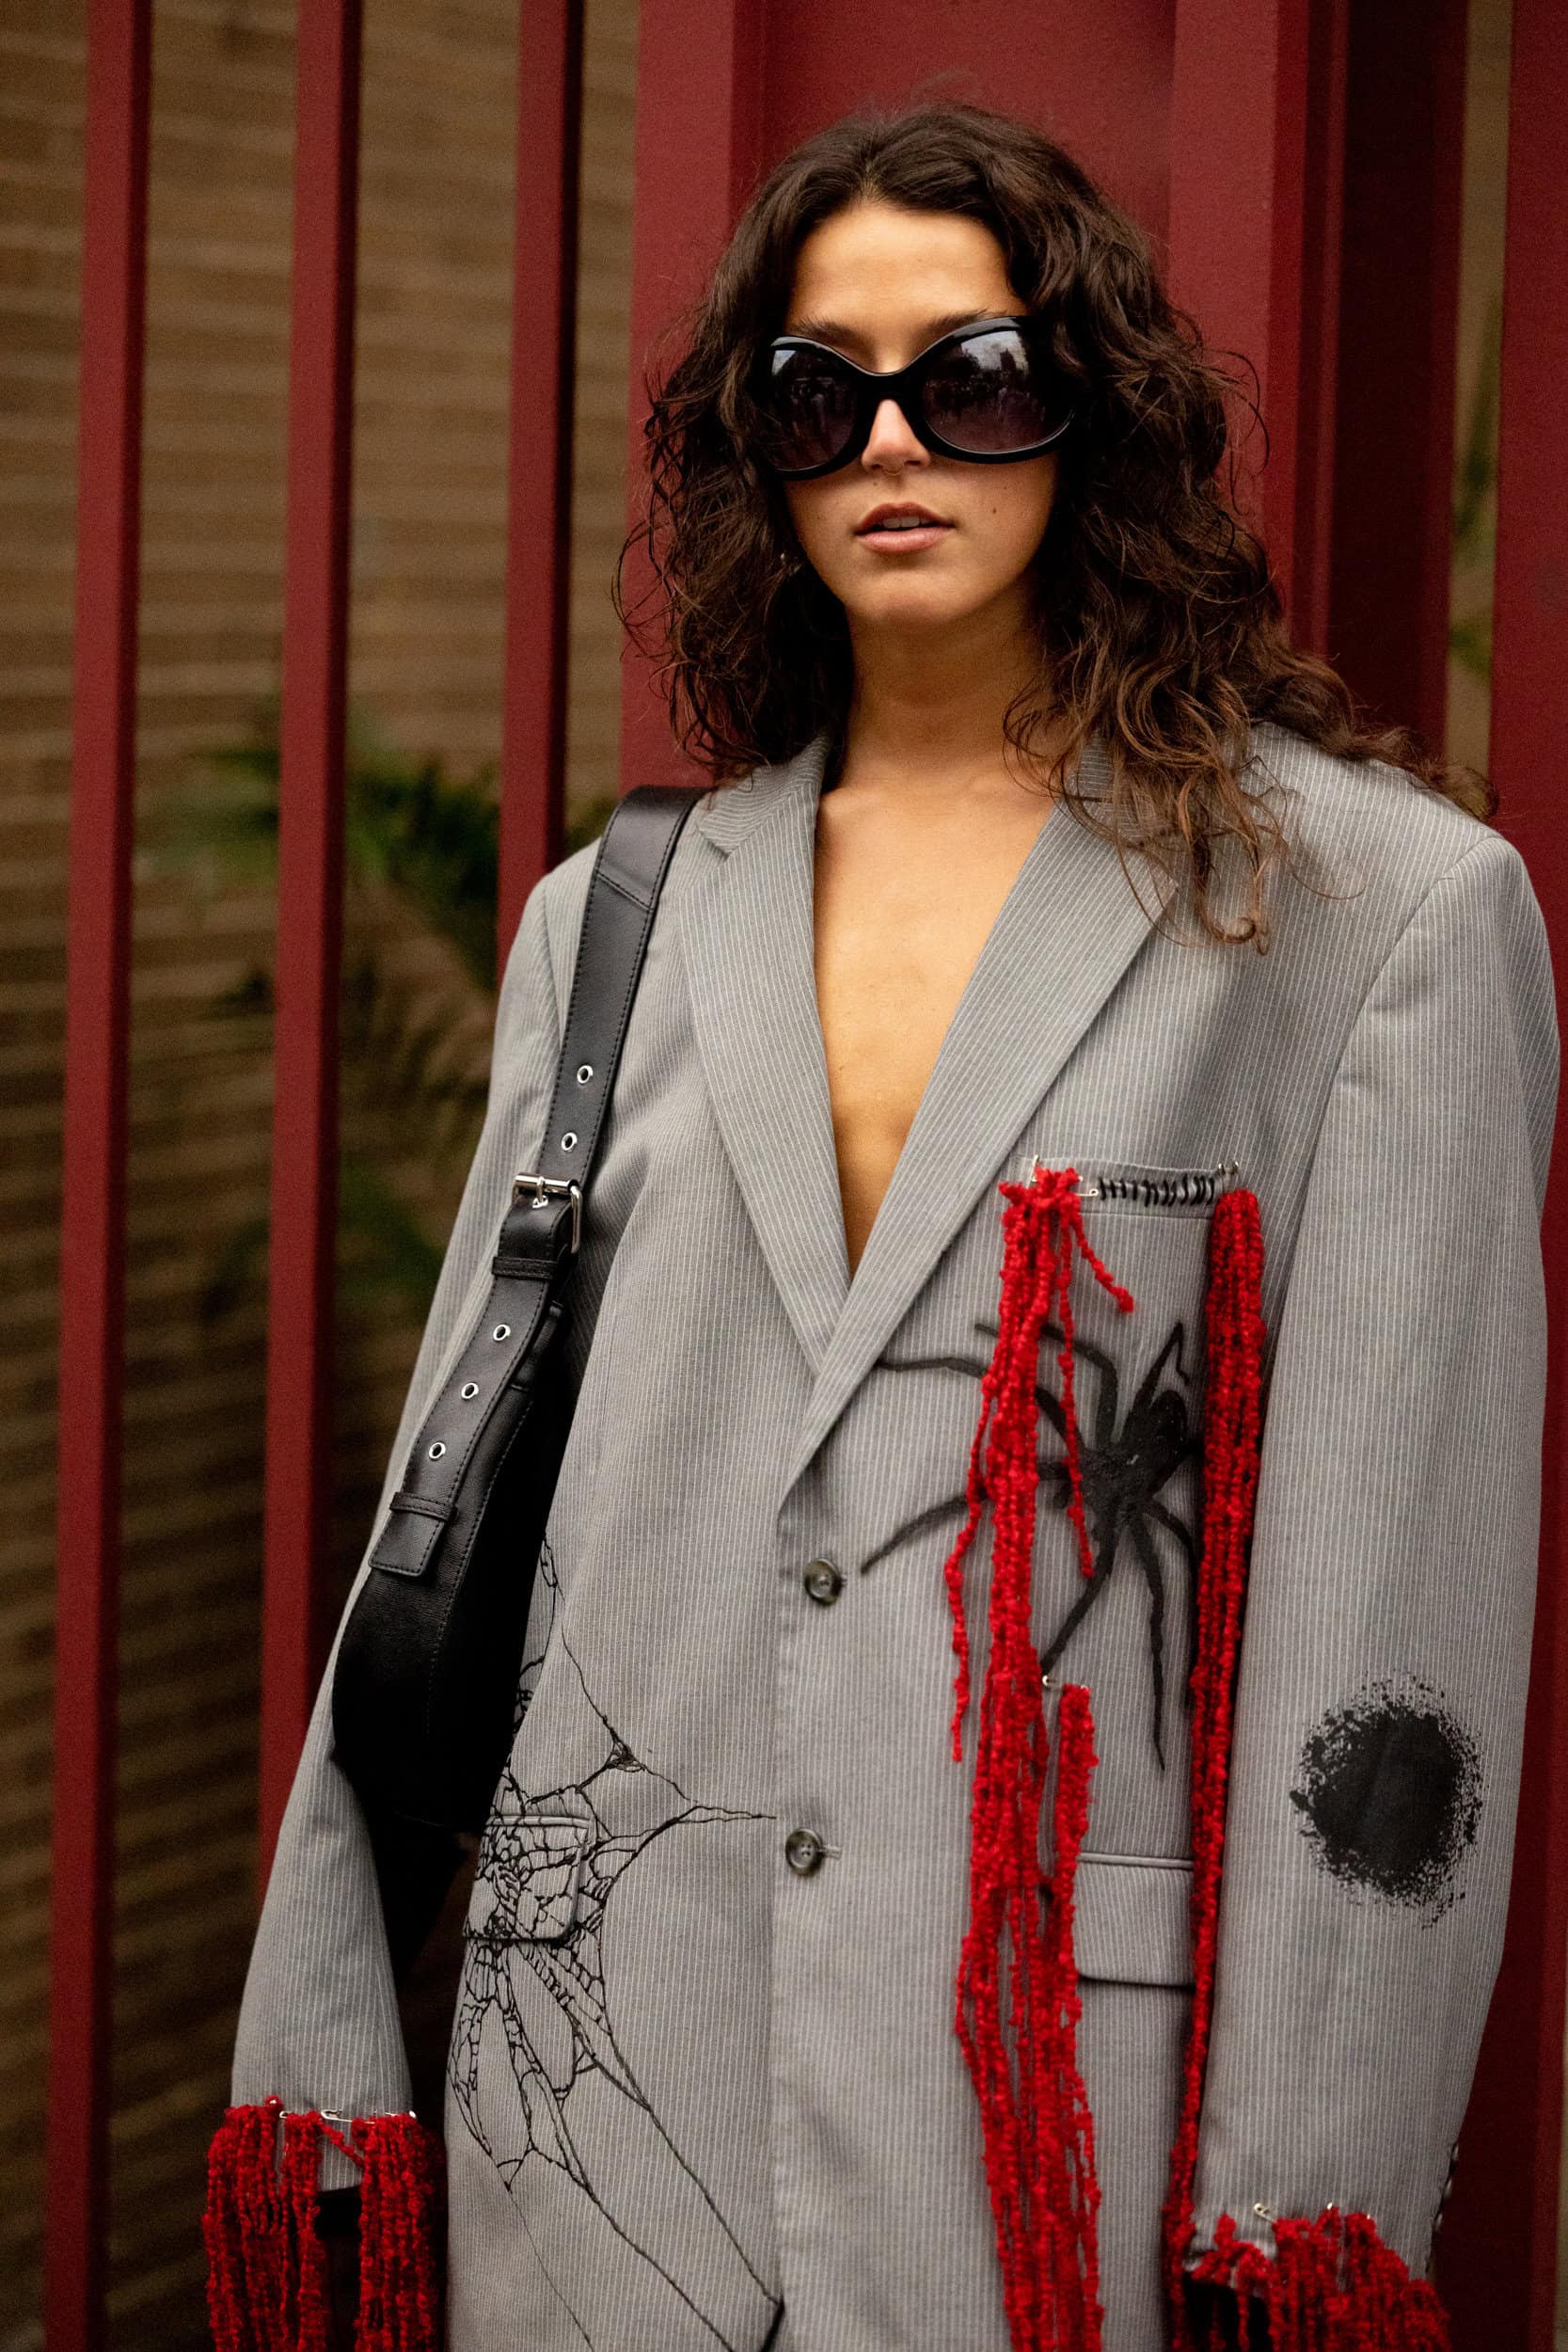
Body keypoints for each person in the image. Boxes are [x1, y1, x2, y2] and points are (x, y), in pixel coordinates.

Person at [204, 98, 1557, 2352]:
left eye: (979, 375)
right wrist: (328, 2041)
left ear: (1093, 408)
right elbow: (441, 1534)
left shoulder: (1368, 919)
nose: (896, 442)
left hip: (1053, 2157)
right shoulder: (612, 924)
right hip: (603, 2127)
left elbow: (1389, 1635)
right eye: (818, 392)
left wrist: (1296, 2208)